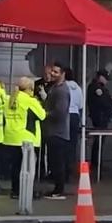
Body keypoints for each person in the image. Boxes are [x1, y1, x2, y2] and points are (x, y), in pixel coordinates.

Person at [3, 77, 45, 200]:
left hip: (11, 137)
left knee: (15, 167)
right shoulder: (30, 101)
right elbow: (42, 116)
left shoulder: (10, 99)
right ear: (30, 89)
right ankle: (26, 192)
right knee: (27, 169)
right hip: (27, 139)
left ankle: (15, 191)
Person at [43, 62, 70, 200]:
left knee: (57, 162)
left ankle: (59, 190)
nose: (52, 74)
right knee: (54, 162)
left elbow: (60, 112)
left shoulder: (62, 90)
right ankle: (57, 189)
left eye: (56, 72)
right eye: (52, 71)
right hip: (53, 131)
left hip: (57, 132)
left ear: (62, 74)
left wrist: (45, 114)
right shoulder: (55, 88)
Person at [87, 70, 112, 170]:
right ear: (100, 77)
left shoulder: (100, 88)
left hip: (102, 117)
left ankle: (97, 161)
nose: (106, 81)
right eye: (105, 78)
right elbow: (104, 101)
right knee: (99, 140)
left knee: (100, 141)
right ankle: (96, 162)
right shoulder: (96, 88)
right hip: (100, 117)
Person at [64, 68, 83, 184]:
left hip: (65, 115)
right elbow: (81, 105)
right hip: (75, 116)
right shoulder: (78, 88)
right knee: (72, 145)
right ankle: (70, 170)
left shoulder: (62, 86)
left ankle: (63, 171)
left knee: (63, 144)